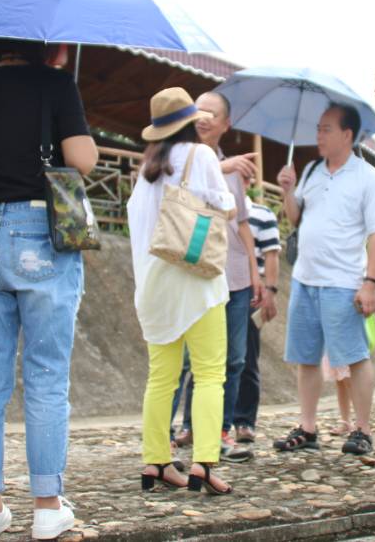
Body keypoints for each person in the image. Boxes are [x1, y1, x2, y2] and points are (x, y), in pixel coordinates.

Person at [0, 37, 98, 541]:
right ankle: (47, 507)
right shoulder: (56, 84)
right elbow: (80, 158)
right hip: (41, 234)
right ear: (41, 44)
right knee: (47, 375)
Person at [127, 87, 236, 496]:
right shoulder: (201, 156)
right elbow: (226, 209)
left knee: (161, 378)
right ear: (192, 122)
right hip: (195, 280)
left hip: (153, 285)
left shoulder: (146, 170)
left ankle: (155, 461)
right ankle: (204, 464)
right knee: (210, 372)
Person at [273, 103, 375, 455]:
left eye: (326, 129)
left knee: (353, 357)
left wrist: (370, 282)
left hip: (342, 281)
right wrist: (288, 191)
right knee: (306, 358)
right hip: (305, 278)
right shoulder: (311, 170)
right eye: (318, 128)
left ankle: (363, 430)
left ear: (347, 135)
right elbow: (296, 220)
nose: (318, 135)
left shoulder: (367, 177)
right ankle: (308, 427)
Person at [170, 92, 262, 463]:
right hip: (195, 270)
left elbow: (241, 222)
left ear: (226, 124)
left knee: (234, 359)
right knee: (191, 359)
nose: (203, 117)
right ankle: (185, 427)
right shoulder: (179, 157)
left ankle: (220, 429)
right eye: (198, 110)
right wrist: (222, 169)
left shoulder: (234, 167)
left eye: (213, 113)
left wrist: (256, 273)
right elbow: (178, 190)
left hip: (235, 273)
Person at [232, 197, 281, 443]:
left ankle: (244, 421)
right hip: (219, 290)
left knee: (247, 359)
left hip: (252, 292)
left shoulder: (262, 214)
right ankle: (197, 423)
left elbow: (272, 254)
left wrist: (270, 292)